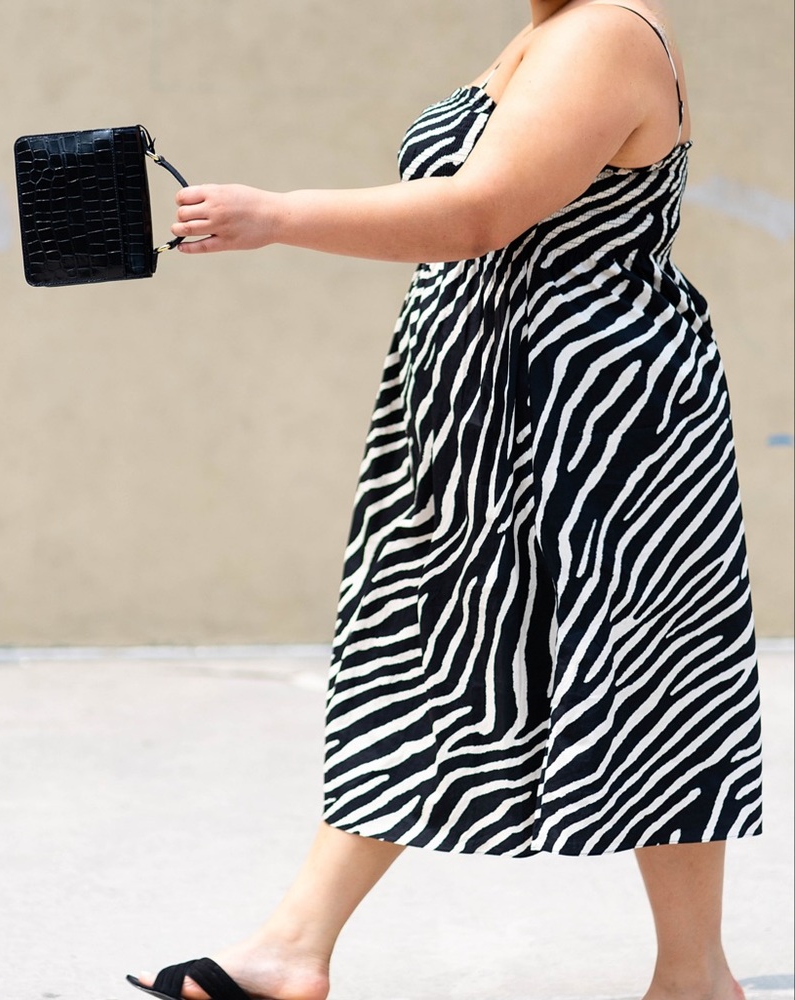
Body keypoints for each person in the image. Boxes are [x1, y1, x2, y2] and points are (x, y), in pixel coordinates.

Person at [127, 1, 764, 998]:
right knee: (424, 652)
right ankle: (294, 947)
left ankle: (692, 976)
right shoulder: (545, 30)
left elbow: (479, 212)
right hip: (484, 419)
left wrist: (277, 215)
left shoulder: (604, 32)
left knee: (647, 683)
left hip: (586, 425)